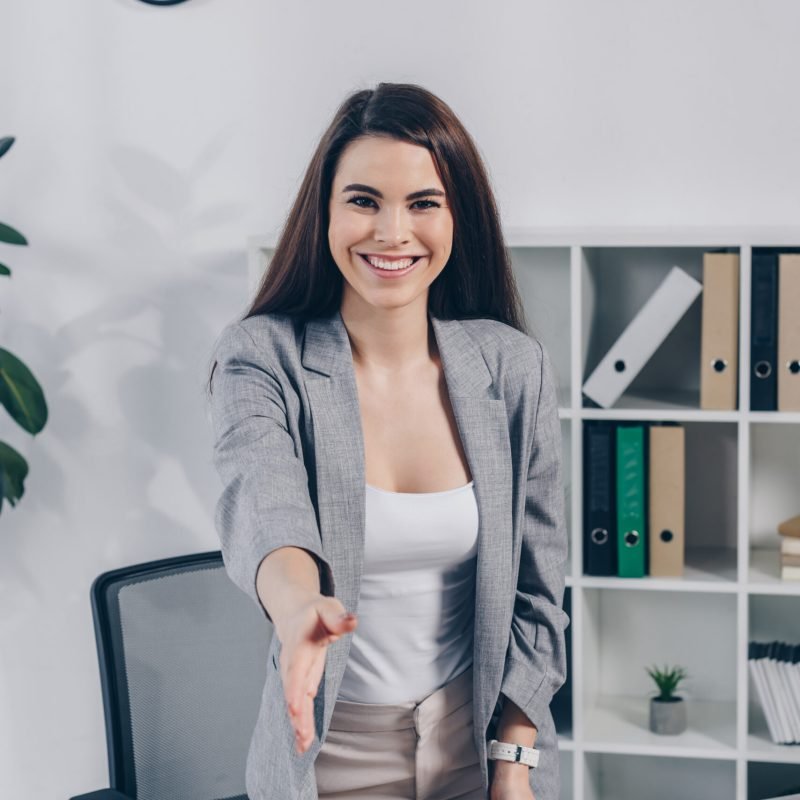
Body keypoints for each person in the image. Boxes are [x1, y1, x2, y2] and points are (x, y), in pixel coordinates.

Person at [207, 82, 569, 800]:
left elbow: (538, 589)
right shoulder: (262, 357)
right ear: (326, 213)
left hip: (479, 744)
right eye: (364, 200)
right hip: (329, 756)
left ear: (458, 215)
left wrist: (514, 762)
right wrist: (298, 604)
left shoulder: (511, 367)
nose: (392, 233)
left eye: (423, 203)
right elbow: (264, 505)